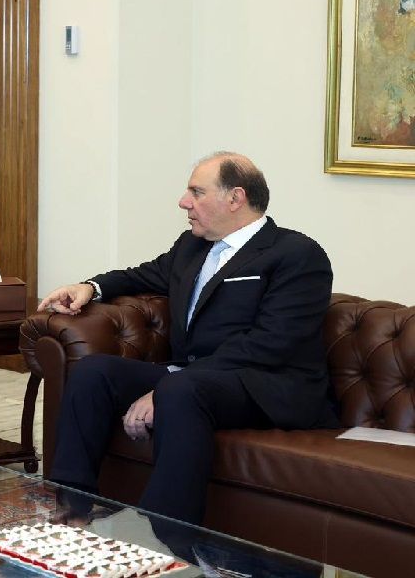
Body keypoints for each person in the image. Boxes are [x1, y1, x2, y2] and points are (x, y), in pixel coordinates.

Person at [38, 151, 338, 526]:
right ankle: (72, 508)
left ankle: (165, 535)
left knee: (180, 391)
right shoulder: (191, 246)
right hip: (193, 378)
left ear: (235, 198)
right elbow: (140, 276)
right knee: (93, 372)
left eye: (197, 192)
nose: (184, 202)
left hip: (266, 384)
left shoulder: (297, 254)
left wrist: (170, 385)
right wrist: (90, 287)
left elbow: (270, 344)